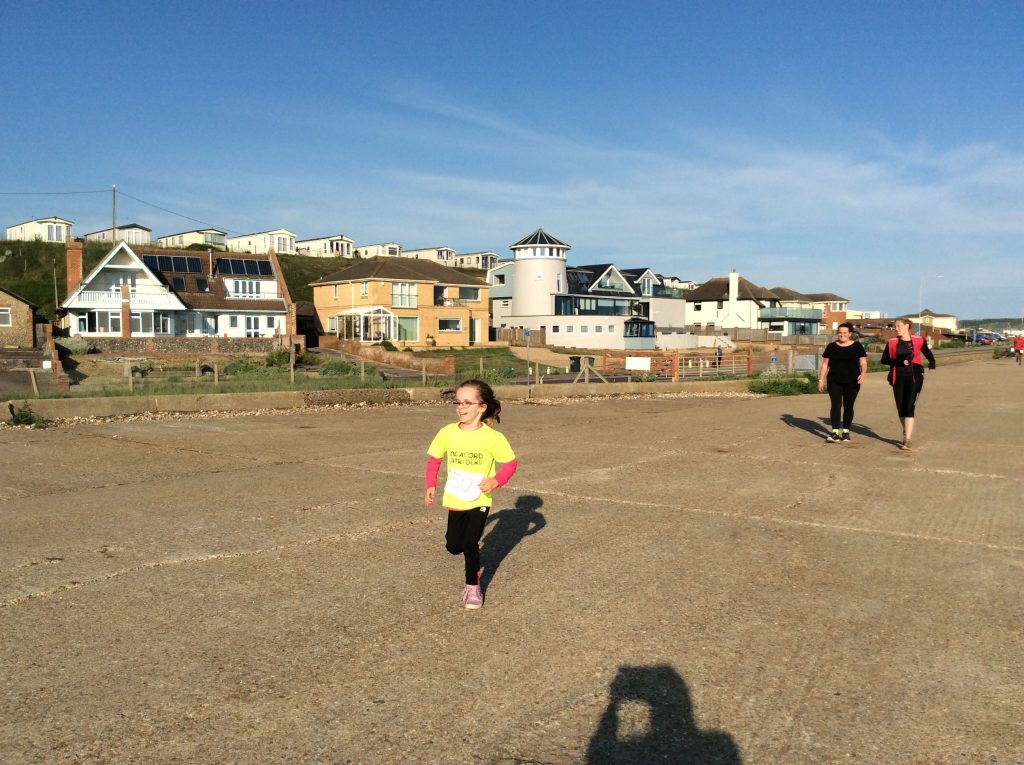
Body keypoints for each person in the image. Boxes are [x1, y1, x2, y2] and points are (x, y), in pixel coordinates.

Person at [424, 379, 517, 609]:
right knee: (454, 546)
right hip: (455, 497)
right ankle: (470, 563)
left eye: (467, 402)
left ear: (482, 407)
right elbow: (434, 459)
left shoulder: (493, 438)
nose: (461, 407)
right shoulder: (447, 432)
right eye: (457, 402)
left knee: (470, 542)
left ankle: (472, 587)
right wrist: (430, 484)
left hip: (480, 499)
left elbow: (510, 463)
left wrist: (496, 480)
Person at [880, 317, 936, 451]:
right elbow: (884, 360)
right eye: (895, 326)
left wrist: (932, 363)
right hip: (897, 377)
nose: (896, 328)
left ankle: (907, 440)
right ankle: (906, 430)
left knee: (909, 406)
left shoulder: (918, 340)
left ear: (907, 326)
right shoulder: (892, 342)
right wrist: (900, 363)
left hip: (915, 377)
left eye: (898, 326)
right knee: (901, 408)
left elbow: (927, 353)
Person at [818, 322, 868, 442]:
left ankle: (846, 432)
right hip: (834, 381)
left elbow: (863, 363)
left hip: (852, 381)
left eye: (845, 333)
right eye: (840, 333)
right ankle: (835, 432)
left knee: (848, 406)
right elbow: (825, 364)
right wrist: (821, 379)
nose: (842, 335)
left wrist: (863, 373)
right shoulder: (831, 347)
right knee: (836, 405)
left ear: (850, 334)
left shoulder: (857, 346)